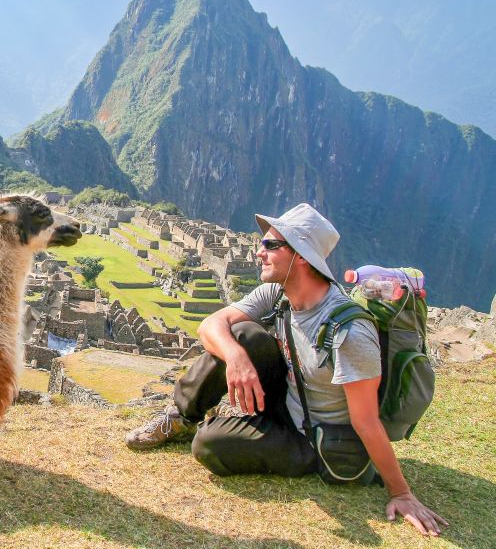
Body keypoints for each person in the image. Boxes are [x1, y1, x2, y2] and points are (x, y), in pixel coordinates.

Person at [124, 203, 449, 537]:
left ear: (302, 256)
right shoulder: (277, 293)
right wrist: (236, 358)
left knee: (209, 444)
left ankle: (230, 430)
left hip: (314, 439)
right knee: (241, 335)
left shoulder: (349, 333)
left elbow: (365, 421)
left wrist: (401, 493)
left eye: (270, 245)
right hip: (287, 400)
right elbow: (211, 325)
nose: (259, 252)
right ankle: (179, 418)